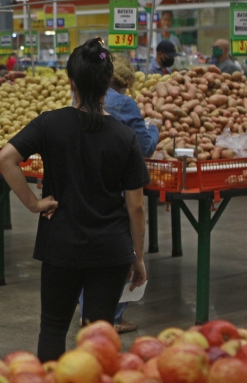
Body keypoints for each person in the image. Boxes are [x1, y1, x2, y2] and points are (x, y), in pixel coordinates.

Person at [0, 39, 149, 362]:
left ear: (72, 83)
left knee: (52, 327)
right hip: (111, 248)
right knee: (98, 333)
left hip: (60, 242)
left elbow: (6, 158)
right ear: (108, 83)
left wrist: (34, 204)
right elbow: (136, 206)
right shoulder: (125, 136)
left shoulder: (50, 124)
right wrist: (138, 256)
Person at [78, 56, 158, 333]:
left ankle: (87, 313)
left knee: (87, 253)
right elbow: (144, 147)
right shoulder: (124, 103)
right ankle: (113, 317)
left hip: (86, 185)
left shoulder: (77, 102)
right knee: (120, 253)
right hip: (117, 185)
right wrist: (153, 128)